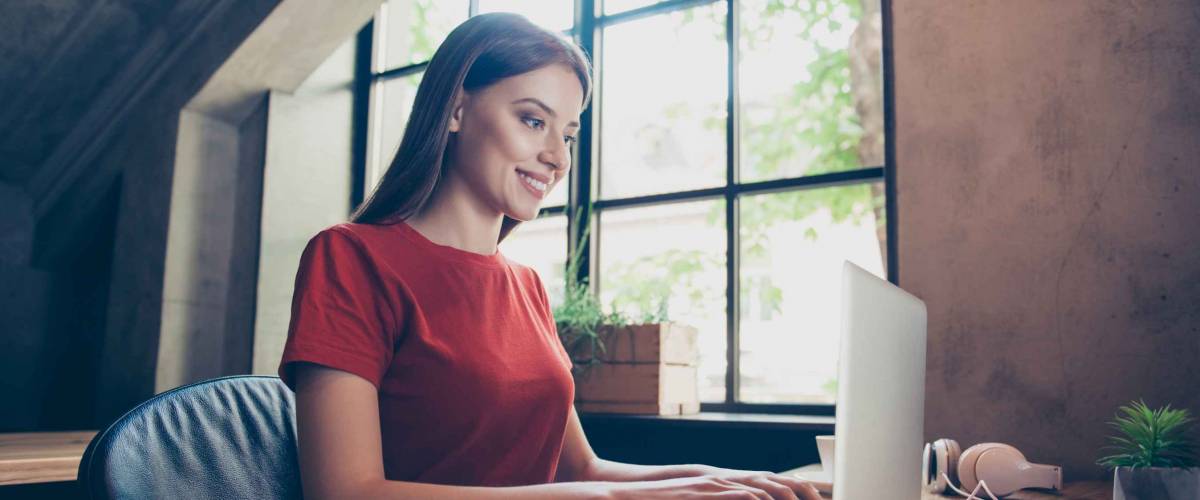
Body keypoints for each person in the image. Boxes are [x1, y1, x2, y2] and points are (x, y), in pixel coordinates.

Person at [277, 12, 822, 500]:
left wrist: (717, 477)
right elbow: (346, 490)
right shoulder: (350, 257)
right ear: (457, 110)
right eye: (533, 121)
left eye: (569, 134)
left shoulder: (526, 286)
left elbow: (581, 469)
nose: (557, 157)